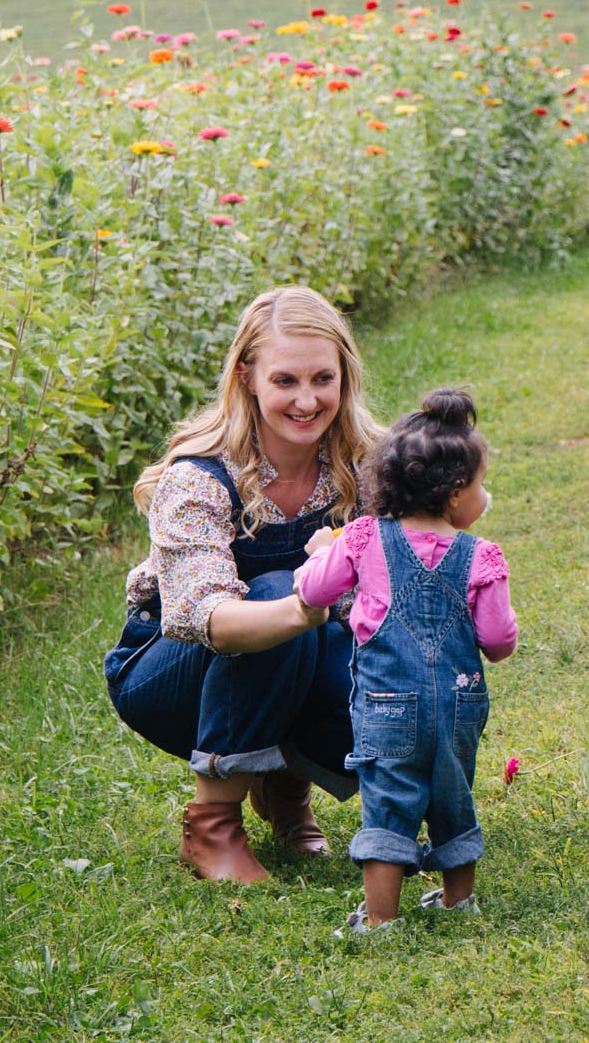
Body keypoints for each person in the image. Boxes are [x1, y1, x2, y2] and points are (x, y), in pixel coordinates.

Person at [103, 287, 384, 883]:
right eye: (285, 380)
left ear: (344, 377)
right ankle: (213, 823)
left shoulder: (363, 465)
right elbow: (211, 621)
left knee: (377, 658)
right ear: (247, 377)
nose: (307, 400)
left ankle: (286, 787)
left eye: (322, 379)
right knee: (282, 591)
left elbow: (427, 539)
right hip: (173, 673)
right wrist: (308, 604)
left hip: (294, 648)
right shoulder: (200, 477)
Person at [293, 389, 518, 933]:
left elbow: (316, 592)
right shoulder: (481, 556)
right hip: (458, 708)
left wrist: (319, 554)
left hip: (387, 707)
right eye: (482, 485)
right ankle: (458, 901)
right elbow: (498, 641)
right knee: (452, 794)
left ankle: (379, 920)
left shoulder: (365, 538)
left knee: (389, 804)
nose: (484, 496)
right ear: (456, 492)